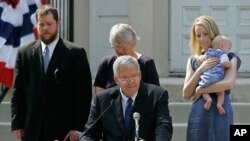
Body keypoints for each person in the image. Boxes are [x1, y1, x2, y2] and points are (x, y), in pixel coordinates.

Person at [11, 4, 92, 141]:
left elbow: (83, 94)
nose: (45, 28)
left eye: (49, 24)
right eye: (41, 24)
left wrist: (78, 128)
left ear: (58, 22)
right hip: (32, 130)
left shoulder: (75, 53)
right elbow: (18, 92)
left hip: (64, 132)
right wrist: (17, 124)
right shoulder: (24, 53)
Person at [80, 55, 173, 141]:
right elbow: (88, 135)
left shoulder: (157, 95)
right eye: (124, 78)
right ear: (116, 80)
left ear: (140, 75)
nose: (130, 81)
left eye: (134, 76)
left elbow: (163, 127)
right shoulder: (102, 100)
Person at [183, 15, 241, 141]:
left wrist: (200, 90)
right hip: (199, 112)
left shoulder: (230, 57)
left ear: (213, 33)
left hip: (221, 110)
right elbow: (186, 94)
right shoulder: (194, 60)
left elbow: (228, 83)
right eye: (198, 36)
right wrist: (200, 70)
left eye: (205, 34)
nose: (202, 39)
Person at [94, 23, 160, 94]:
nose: (119, 50)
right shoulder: (106, 63)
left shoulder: (146, 63)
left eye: (123, 47)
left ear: (132, 43)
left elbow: (155, 91)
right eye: (116, 47)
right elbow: (99, 90)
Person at [194, 35, 232, 115]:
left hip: (206, 78)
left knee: (204, 91)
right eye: (229, 48)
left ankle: (208, 100)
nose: (229, 51)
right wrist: (229, 64)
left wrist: (201, 62)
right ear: (222, 46)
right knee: (221, 93)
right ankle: (219, 104)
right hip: (217, 79)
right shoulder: (222, 54)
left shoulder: (208, 53)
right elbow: (224, 63)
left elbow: (199, 60)